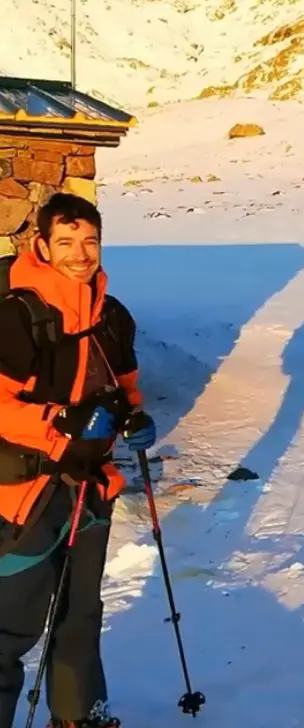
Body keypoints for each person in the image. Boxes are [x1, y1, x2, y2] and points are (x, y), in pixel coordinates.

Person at [0, 193, 157, 728]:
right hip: (24, 494)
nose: (80, 253)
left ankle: (78, 714)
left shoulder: (112, 317)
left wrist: (134, 419)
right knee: (10, 625)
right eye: (65, 242)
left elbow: (126, 388)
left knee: (82, 614)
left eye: (89, 241)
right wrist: (58, 423)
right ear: (41, 244)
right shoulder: (18, 316)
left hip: (91, 488)